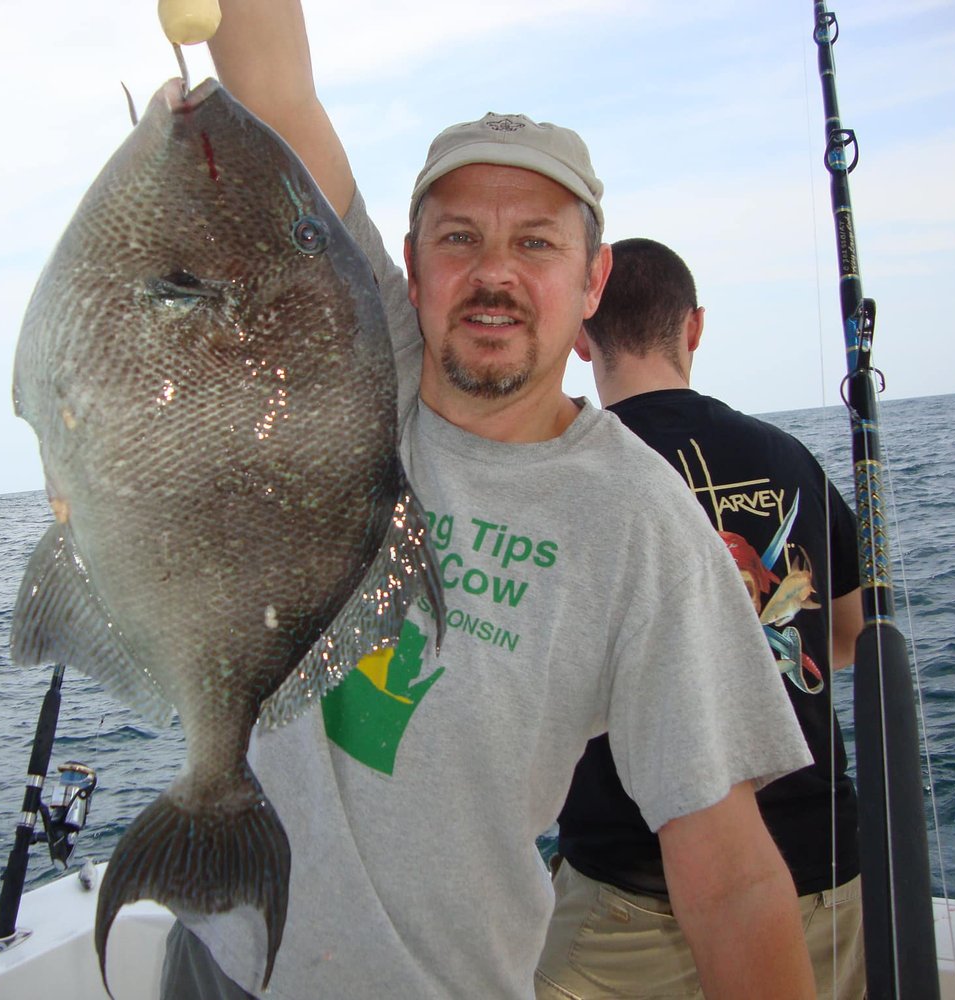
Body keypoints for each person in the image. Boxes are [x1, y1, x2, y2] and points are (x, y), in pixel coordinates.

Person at [157, 4, 818, 997]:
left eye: (536, 244)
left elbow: (727, 874)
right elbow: (274, 86)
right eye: (458, 237)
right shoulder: (357, 344)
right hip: (215, 955)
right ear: (413, 264)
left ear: (592, 281)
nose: (493, 273)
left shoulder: (640, 521)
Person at [537, 238, 866, 999]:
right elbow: (845, 638)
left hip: (628, 887)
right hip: (818, 877)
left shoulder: (568, 475)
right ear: (694, 328)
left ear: (582, 337)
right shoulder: (790, 460)